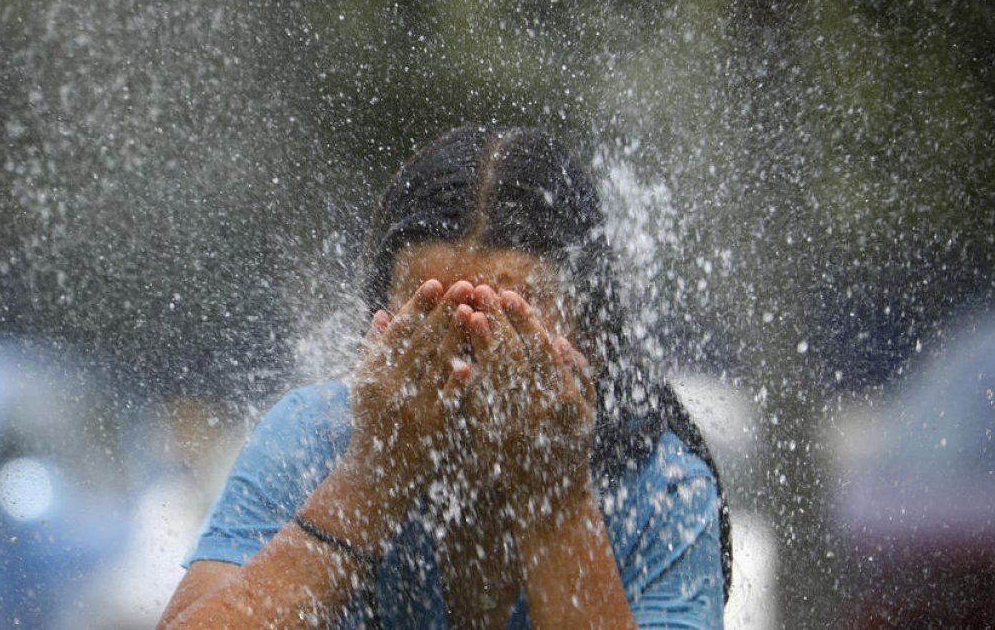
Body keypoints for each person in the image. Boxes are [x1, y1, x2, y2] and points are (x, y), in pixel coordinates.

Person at [159, 126, 730, 629]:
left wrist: (553, 500)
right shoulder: (318, 441)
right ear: (378, 332)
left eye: (510, 329)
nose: (465, 367)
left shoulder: (658, 491)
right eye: (430, 325)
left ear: (594, 340)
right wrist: (371, 476)